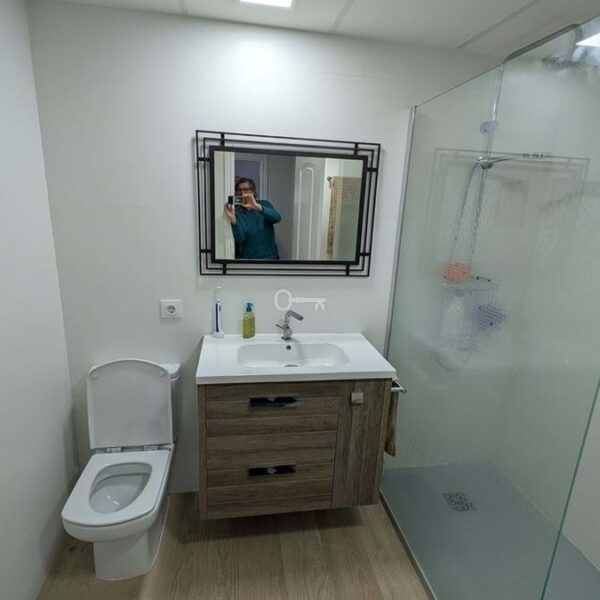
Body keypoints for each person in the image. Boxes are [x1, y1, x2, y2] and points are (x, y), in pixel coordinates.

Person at [224, 177, 281, 260]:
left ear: (253, 192)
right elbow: (240, 238)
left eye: (246, 189)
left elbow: (277, 218)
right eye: (239, 190)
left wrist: (257, 207)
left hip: (271, 258)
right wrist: (233, 220)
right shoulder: (236, 212)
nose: (242, 193)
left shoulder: (264, 204)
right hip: (249, 259)